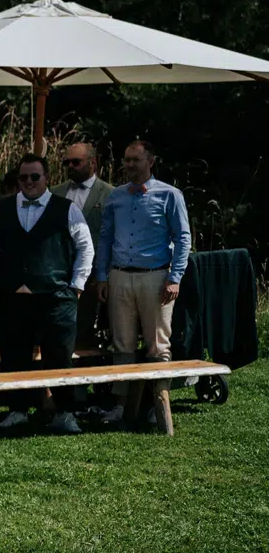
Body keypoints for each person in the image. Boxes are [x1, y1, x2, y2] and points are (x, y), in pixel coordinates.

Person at [0, 154, 94, 434]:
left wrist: (77, 285)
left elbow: (85, 248)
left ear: (46, 178)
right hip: (11, 298)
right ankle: (17, 410)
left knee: (59, 356)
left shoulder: (66, 208)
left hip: (56, 297)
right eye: (23, 177)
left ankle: (65, 412)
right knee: (13, 356)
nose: (29, 182)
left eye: (35, 176)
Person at [95, 141, 192, 432]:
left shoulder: (170, 194)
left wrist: (175, 277)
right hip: (120, 275)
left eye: (136, 160)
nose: (129, 165)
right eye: (126, 160)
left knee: (158, 345)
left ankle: (157, 406)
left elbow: (183, 237)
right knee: (122, 343)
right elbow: (105, 238)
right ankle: (122, 407)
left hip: (156, 277)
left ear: (151, 161)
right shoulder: (115, 197)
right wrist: (102, 276)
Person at [53, 141, 114, 353]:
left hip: (94, 278)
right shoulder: (54, 194)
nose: (70, 166)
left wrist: (103, 274)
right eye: (66, 162)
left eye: (76, 162)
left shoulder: (110, 194)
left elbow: (113, 237)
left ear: (93, 163)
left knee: (87, 335)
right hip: (59, 276)